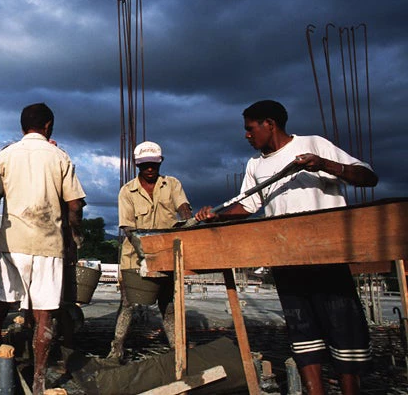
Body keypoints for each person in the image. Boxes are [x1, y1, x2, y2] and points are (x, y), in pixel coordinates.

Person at [195, 100, 378, 395]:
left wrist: (324, 164)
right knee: (303, 334)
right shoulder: (255, 165)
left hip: (325, 256)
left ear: (270, 124)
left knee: (345, 333)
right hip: (286, 259)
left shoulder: (313, 144)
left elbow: (368, 176)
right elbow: (249, 204)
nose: (247, 135)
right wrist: (219, 215)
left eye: (250, 129)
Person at [0, 103, 87, 395]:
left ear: (23, 126)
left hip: (13, 245)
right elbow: (74, 206)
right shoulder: (60, 157)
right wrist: (73, 237)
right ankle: (38, 382)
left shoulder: (6, 155)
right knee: (45, 314)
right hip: (49, 245)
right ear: (48, 126)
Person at [107, 141, 192, 360]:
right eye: (145, 165)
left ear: (160, 162)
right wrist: (145, 254)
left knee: (168, 303)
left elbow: (183, 208)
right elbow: (128, 227)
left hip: (166, 255)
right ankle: (116, 348)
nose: (150, 169)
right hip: (135, 258)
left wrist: (190, 220)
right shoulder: (127, 191)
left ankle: (177, 348)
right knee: (128, 303)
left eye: (154, 164)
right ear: (138, 165)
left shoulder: (172, 185)